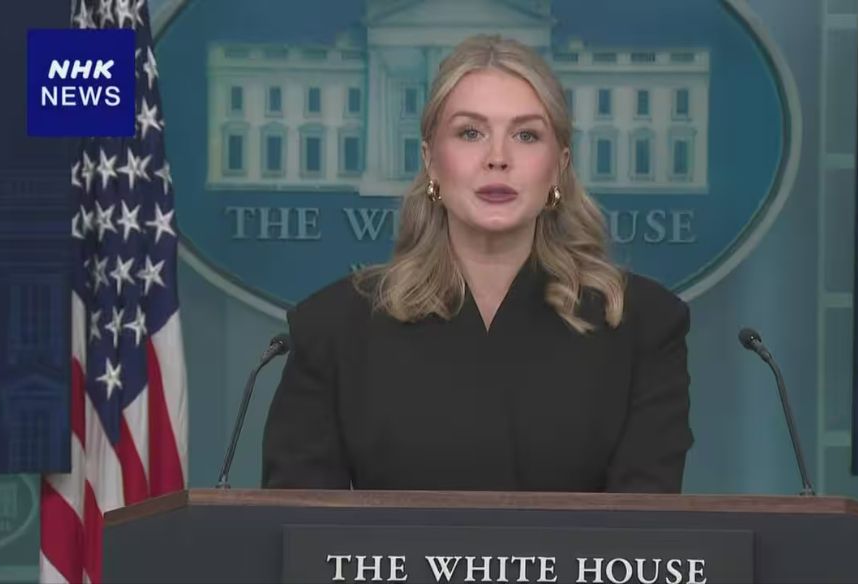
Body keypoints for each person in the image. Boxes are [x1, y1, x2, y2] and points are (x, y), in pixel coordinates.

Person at [261, 34, 693, 493]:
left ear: (559, 166)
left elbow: (644, 529)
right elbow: (298, 525)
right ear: (430, 160)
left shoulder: (642, 324)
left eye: (526, 135)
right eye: (470, 133)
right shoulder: (333, 328)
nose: (497, 159)